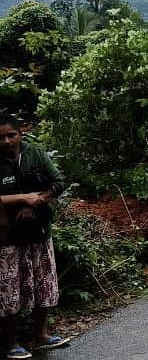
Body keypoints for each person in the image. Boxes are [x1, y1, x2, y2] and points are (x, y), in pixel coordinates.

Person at [0, 114, 68, 359]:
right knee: (9, 289)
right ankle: (10, 343)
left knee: (43, 284)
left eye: (11, 135)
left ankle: (42, 334)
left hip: (38, 232)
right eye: (1, 137)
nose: (7, 141)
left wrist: (37, 201)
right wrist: (20, 199)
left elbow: (58, 182)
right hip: (6, 238)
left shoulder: (36, 154)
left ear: (21, 134)